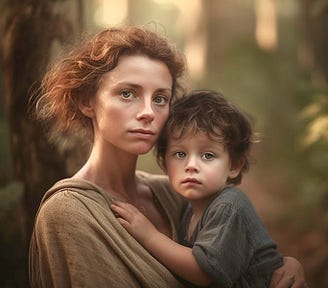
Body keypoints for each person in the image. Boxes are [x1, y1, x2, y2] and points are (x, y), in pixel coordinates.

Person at [29, 25, 307, 288]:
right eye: (128, 93)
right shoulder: (68, 212)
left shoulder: (175, 192)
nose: (148, 111)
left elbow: (235, 254)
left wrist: (285, 267)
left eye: (160, 98)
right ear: (86, 101)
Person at [111, 90, 307, 288]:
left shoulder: (229, 206)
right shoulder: (188, 209)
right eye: (180, 154)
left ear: (234, 166)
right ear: (164, 163)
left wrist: (149, 235)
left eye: (207, 156)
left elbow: (202, 272)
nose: (191, 165)